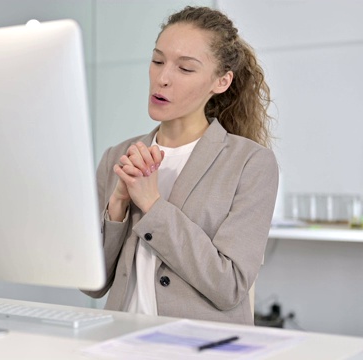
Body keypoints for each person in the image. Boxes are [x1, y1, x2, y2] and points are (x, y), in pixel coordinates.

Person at [82, 6, 278, 326]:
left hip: (198, 346)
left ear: (221, 81)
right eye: (157, 61)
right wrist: (117, 205)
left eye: (185, 69)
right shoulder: (117, 156)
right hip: (117, 341)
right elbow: (92, 284)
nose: (162, 78)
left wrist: (152, 204)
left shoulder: (251, 163)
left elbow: (229, 286)